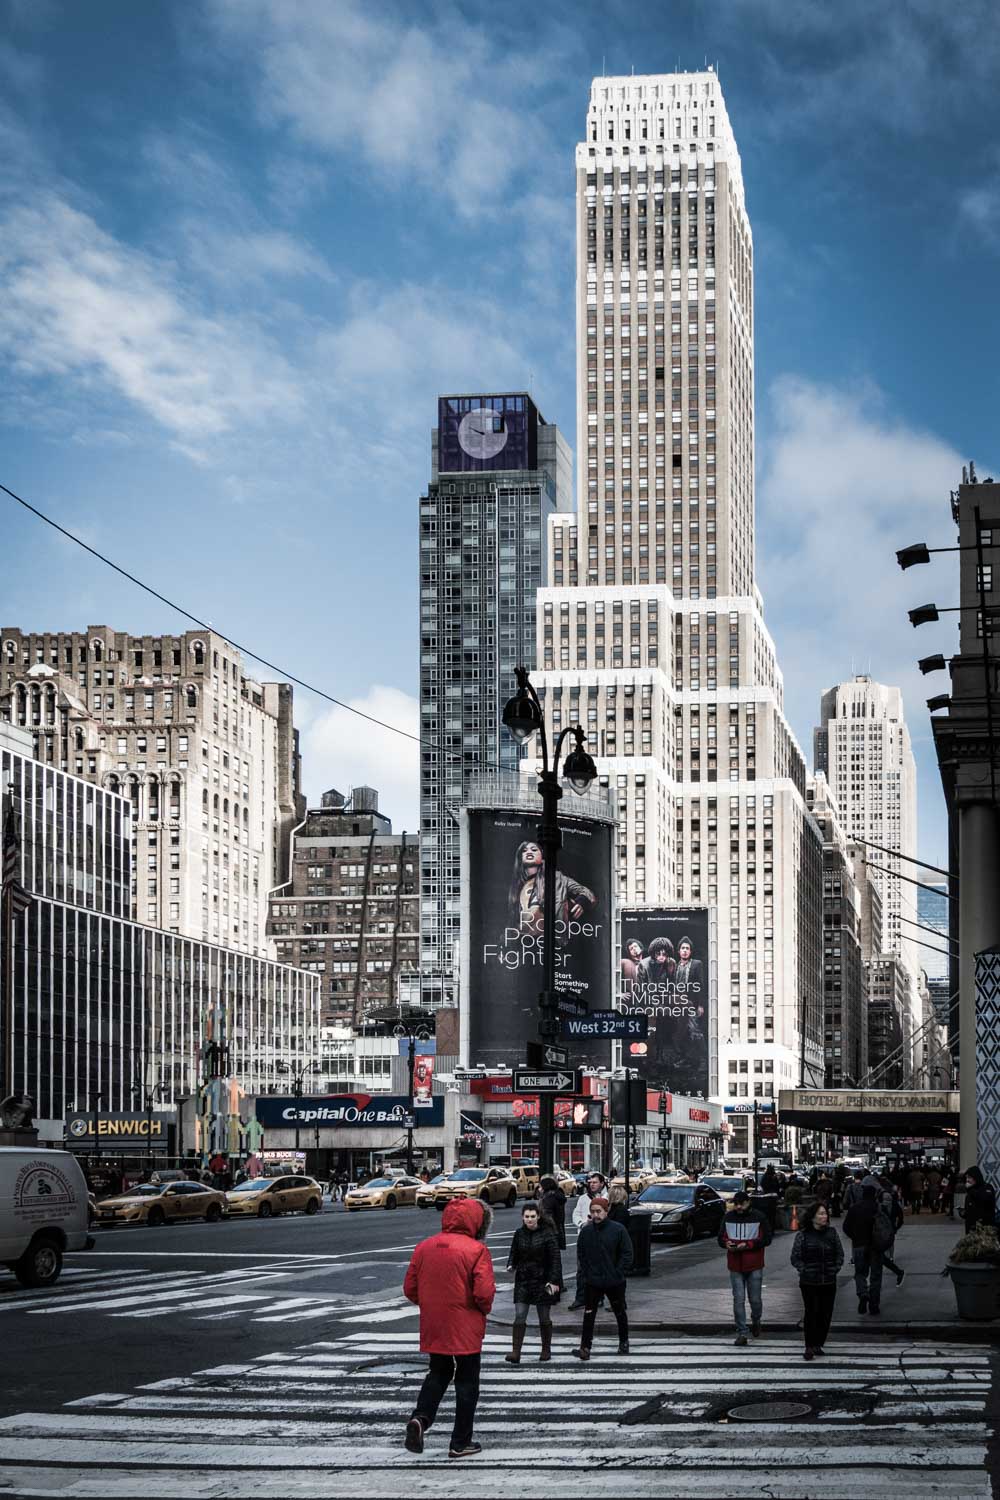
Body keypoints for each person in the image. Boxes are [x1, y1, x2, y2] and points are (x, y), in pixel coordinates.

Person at [402, 1197, 495, 1460]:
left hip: (435, 1323)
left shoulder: (424, 1247)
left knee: (438, 1372)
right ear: (477, 1222)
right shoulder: (476, 1250)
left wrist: (432, 1304)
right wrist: (481, 1310)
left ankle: (420, 1419)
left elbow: (409, 1288)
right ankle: (460, 1441)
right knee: (467, 1382)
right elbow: (484, 1293)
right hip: (465, 1325)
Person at [574, 1198, 633, 1361]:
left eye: (599, 1211)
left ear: (606, 1212)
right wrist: (587, 1273)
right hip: (593, 1280)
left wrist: (618, 1272)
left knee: (619, 1311)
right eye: (593, 1211)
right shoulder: (586, 1231)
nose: (595, 1215)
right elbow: (581, 1254)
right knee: (589, 1314)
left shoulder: (618, 1229)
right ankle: (585, 1347)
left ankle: (624, 1342)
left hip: (614, 1280)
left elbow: (627, 1253)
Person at [505, 1203, 563, 1364]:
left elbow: (555, 1260)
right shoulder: (519, 1234)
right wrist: (511, 1264)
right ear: (522, 1217)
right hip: (523, 1279)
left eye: (532, 1216)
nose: (529, 1220)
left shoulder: (547, 1234)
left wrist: (553, 1281)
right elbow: (513, 1252)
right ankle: (516, 1352)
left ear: (538, 1216)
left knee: (543, 1316)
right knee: (520, 1314)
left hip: (542, 1279)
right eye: (526, 1217)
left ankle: (546, 1349)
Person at [718, 1187, 773, 1346]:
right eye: (736, 1204)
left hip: (752, 1263)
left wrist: (747, 1245)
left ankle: (756, 1320)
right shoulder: (729, 1217)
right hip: (738, 1264)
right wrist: (726, 1243)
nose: (738, 1207)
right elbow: (720, 1237)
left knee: (754, 1299)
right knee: (739, 1299)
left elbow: (767, 1238)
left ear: (748, 1202)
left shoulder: (759, 1217)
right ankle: (742, 1331)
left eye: (741, 1204)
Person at [790, 1200, 844, 1361]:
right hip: (809, 1281)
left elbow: (839, 1254)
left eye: (825, 1213)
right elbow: (795, 1257)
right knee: (811, 1312)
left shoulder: (832, 1233)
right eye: (820, 1213)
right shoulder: (803, 1235)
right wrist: (803, 1269)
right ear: (812, 1217)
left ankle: (819, 1343)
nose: (824, 1216)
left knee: (825, 1313)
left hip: (828, 1279)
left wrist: (835, 1269)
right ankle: (809, 1345)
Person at [507, 840, 596, 937]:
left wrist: (581, 902)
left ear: (542, 856)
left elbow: (587, 892)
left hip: (553, 939)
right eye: (524, 850)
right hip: (525, 941)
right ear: (520, 857)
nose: (529, 852)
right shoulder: (517, 885)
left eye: (534, 850)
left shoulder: (557, 878)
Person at [844, 1183, 893, 1315]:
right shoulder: (879, 1208)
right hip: (876, 1247)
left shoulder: (854, 1208)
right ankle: (874, 1305)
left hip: (859, 1245)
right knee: (876, 1277)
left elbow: (846, 1227)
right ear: (875, 1195)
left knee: (860, 1274)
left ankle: (863, 1293)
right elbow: (888, 1226)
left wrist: (855, 1237)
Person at [568, 1172, 610, 1309]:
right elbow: (575, 1214)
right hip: (585, 1237)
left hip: (601, 1238)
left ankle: (599, 1297)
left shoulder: (607, 1198)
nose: (592, 1184)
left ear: (602, 1183)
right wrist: (582, 1223)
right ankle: (580, 1298)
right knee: (581, 1269)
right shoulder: (583, 1198)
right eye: (590, 1182)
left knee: (600, 1269)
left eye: (595, 1182)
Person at [963, 1166, 998, 1233]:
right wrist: (963, 1213)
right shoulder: (970, 1191)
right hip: (971, 1231)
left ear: (976, 1177)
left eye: (969, 1177)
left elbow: (984, 1199)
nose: (967, 1180)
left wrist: (970, 1190)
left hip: (985, 1230)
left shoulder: (987, 1188)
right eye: (966, 1178)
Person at [538, 1175, 567, 1250]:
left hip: (549, 1232)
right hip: (557, 1230)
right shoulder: (556, 1196)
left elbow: (547, 1216)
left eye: (540, 1187)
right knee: (555, 1255)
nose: (539, 1189)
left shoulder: (548, 1198)